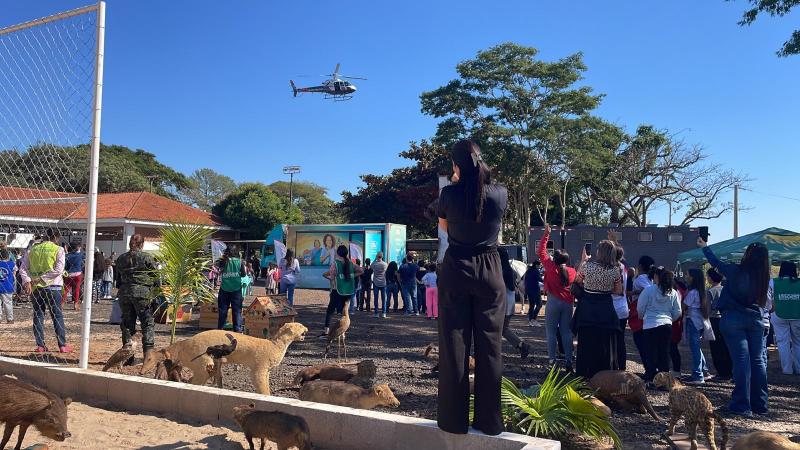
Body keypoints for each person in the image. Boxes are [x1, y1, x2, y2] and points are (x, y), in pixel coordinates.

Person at [436, 140, 507, 436]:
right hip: (490, 268)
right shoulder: (500, 193)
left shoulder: (449, 193)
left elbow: (444, 228)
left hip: (457, 267)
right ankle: (489, 421)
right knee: (491, 346)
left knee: (454, 344)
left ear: (456, 166)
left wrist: (455, 183)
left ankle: (454, 421)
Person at [700, 237, 770, 416]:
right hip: (755, 319)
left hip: (732, 318)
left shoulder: (735, 270)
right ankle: (760, 404)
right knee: (758, 361)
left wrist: (705, 247)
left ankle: (741, 404)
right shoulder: (762, 277)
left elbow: (716, 263)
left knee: (741, 360)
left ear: (747, 255)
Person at [573, 240, 623, 379]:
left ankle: (583, 377)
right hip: (605, 310)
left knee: (585, 346)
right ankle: (603, 378)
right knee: (604, 347)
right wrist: (605, 288)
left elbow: (577, 281)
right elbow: (619, 290)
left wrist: (583, 262)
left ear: (599, 252)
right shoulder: (615, 270)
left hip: (587, 309)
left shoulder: (587, 267)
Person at [19, 229, 73, 353]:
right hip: (53, 286)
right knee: (57, 315)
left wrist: (27, 281)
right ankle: (62, 345)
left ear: (44, 236)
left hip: (37, 288)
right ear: (57, 238)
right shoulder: (58, 249)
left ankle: (40, 345)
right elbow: (59, 270)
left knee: (38, 314)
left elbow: (23, 268)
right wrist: (42, 278)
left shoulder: (32, 249)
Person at [538, 224, 576, 370]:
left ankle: (552, 361)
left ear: (555, 259)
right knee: (566, 332)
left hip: (553, 302)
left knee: (551, 332)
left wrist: (546, 234)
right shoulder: (572, 271)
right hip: (568, 303)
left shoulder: (550, 267)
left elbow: (541, 251)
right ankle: (568, 361)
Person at [114, 234, 158, 361]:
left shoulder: (121, 258)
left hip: (125, 293)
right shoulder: (147, 257)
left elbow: (118, 280)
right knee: (147, 323)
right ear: (142, 244)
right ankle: (148, 357)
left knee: (128, 325)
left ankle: (128, 357)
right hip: (142, 293)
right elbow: (156, 277)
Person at [637, 268, 682, 382]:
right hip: (666, 324)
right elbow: (678, 311)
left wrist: (642, 317)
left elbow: (640, 307)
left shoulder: (648, 290)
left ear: (658, 277)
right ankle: (664, 377)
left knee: (650, 351)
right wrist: (670, 319)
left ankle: (651, 375)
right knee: (664, 351)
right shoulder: (673, 292)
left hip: (650, 324)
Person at [322, 245, 363, 336]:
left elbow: (332, 277)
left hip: (336, 290)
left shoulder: (335, 264)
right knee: (344, 311)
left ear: (338, 253)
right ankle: (342, 331)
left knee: (330, 310)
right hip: (347, 291)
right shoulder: (351, 263)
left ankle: (326, 330)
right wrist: (352, 276)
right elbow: (361, 271)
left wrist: (334, 279)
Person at [499, 248, 530, 358]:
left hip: (503, 304)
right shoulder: (510, 270)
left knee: (500, 329)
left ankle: (522, 345)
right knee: (503, 329)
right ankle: (521, 346)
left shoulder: (501, 271)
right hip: (510, 303)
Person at [771, 261, 800, 375]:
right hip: (798, 316)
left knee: (782, 343)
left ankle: (787, 370)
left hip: (779, 315)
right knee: (798, 343)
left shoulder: (773, 282)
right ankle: (798, 369)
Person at [684, 268, 712, 383]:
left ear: (693, 278)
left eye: (688, 275)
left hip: (693, 321)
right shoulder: (702, 291)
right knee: (697, 347)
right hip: (699, 322)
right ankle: (704, 370)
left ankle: (697, 374)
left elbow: (684, 306)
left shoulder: (693, 292)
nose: (686, 277)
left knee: (694, 348)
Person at [608, 234, 629, 370]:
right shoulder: (624, 267)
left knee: (609, 340)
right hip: (623, 308)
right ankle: (621, 366)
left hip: (611, 307)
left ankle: (611, 366)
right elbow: (620, 253)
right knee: (620, 339)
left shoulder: (611, 268)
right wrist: (615, 241)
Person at [707, 268, 732, 381]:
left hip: (713, 319)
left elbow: (707, 308)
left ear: (710, 278)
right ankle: (728, 370)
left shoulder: (710, 291)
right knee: (726, 346)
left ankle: (721, 372)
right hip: (726, 319)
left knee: (715, 347)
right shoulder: (726, 289)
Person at [629, 256, 655, 365]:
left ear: (639, 266)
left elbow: (649, 290)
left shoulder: (640, 279)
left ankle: (649, 368)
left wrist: (634, 293)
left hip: (640, 313)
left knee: (641, 342)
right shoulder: (651, 278)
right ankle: (652, 367)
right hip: (650, 314)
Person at [216, 247, 247, 332]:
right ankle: (237, 330)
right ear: (236, 252)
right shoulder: (240, 261)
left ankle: (220, 330)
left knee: (223, 311)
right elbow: (244, 275)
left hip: (224, 289)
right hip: (236, 289)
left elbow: (218, 271)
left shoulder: (223, 261)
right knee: (237, 311)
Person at [671, 278, 687, 376]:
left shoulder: (675, 293)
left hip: (674, 323)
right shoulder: (678, 291)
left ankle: (676, 370)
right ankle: (675, 370)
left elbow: (678, 310)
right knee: (672, 347)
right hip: (675, 322)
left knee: (673, 347)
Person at [63, 244, 84, 310]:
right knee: (76, 290)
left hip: (69, 274)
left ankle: (62, 303)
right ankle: (76, 304)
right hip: (78, 274)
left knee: (66, 290)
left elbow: (65, 266)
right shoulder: (79, 255)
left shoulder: (67, 256)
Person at [524, 261, 543, 326]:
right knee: (539, 304)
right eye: (540, 265)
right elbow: (540, 279)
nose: (540, 266)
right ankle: (533, 319)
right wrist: (545, 279)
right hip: (535, 290)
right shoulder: (536, 271)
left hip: (528, 290)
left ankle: (530, 321)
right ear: (536, 265)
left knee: (531, 306)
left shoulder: (528, 271)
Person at [0, 243, 15, 324]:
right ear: (8, 256)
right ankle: (10, 319)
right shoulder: (11, 264)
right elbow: (15, 272)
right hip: (7, 286)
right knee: (8, 303)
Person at [371, 253, 389, 318]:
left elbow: (371, 266)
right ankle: (384, 313)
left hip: (376, 282)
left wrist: (375, 259)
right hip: (383, 283)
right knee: (384, 299)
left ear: (377, 256)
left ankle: (376, 313)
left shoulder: (374, 264)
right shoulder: (385, 264)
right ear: (382, 257)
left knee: (376, 298)